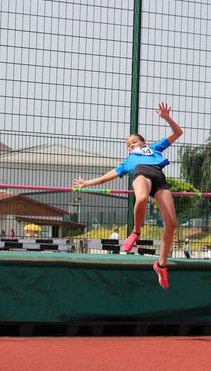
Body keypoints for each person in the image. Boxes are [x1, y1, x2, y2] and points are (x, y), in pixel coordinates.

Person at [74, 102, 183, 289]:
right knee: (140, 198)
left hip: (159, 177)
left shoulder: (155, 148)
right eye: (128, 144)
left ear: (143, 143)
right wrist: (86, 183)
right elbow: (105, 177)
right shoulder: (128, 161)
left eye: (133, 141)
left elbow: (178, 133)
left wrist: (166, 118)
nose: (130, 145)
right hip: (141, 174)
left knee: (171, 224)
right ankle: (136, 231)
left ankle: (161, 266)